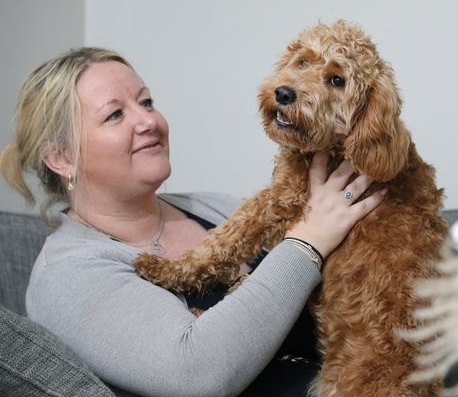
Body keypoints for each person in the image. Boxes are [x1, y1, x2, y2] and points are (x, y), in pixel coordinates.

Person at [0, 47, 387, 397]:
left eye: (146, 102)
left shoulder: (213, 208)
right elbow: (195, 374)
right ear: (62, 158)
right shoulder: (68, 274)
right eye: (115, 114)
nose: (148, 121)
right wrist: (308, 241)